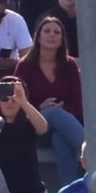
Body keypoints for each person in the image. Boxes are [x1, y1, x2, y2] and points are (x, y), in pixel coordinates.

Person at [15, 13, 84, 168]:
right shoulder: (24, 66)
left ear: (62, 40)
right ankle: (95, 155)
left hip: (65, 124)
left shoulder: (70, 65)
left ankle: (70, 183)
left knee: (60, 139)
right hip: (34, 125)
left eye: (57, 32)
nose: (52, 34)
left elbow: (78, 103)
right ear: (38, 38)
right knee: (53, 112)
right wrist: (40, 108)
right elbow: (17, 103)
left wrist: (63, 109)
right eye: (47, 31)